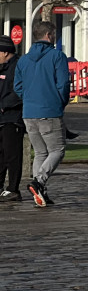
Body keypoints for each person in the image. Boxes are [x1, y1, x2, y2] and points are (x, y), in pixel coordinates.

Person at [14, 20, 70, 207]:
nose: (54, 38)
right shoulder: (57, 56)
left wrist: (29, 98)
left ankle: (40, 193)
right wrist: (59, 102)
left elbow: (18, 87)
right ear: (48, 35)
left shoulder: (23, 59)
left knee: (40, 152)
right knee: (57, 150)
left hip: (29, 112)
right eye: (53, 34)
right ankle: (39, 182)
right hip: (49, 110)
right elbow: (63, 85)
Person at [0, 35, 25, 202]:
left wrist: (5, 105)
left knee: (12, 155)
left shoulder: (18, 67)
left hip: (12, 117)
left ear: (4, 52)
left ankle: (13, 189)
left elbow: (20, 92)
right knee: (0, 155)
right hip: (1, 118)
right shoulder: (2, 67)